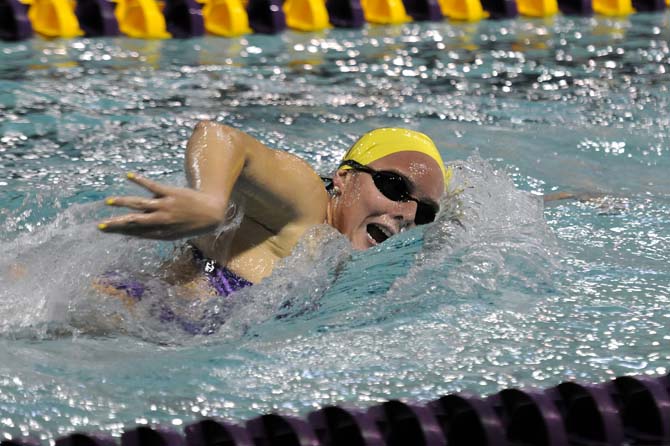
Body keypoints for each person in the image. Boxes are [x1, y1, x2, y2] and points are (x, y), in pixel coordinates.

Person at [97, 123, 450, 300]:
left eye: (425, 212)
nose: (406, 212)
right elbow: (219, 136)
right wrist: (209, 200)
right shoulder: (308, 201)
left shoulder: (335, 246)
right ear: (344, 177)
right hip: (117, 312)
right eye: (394, 186)